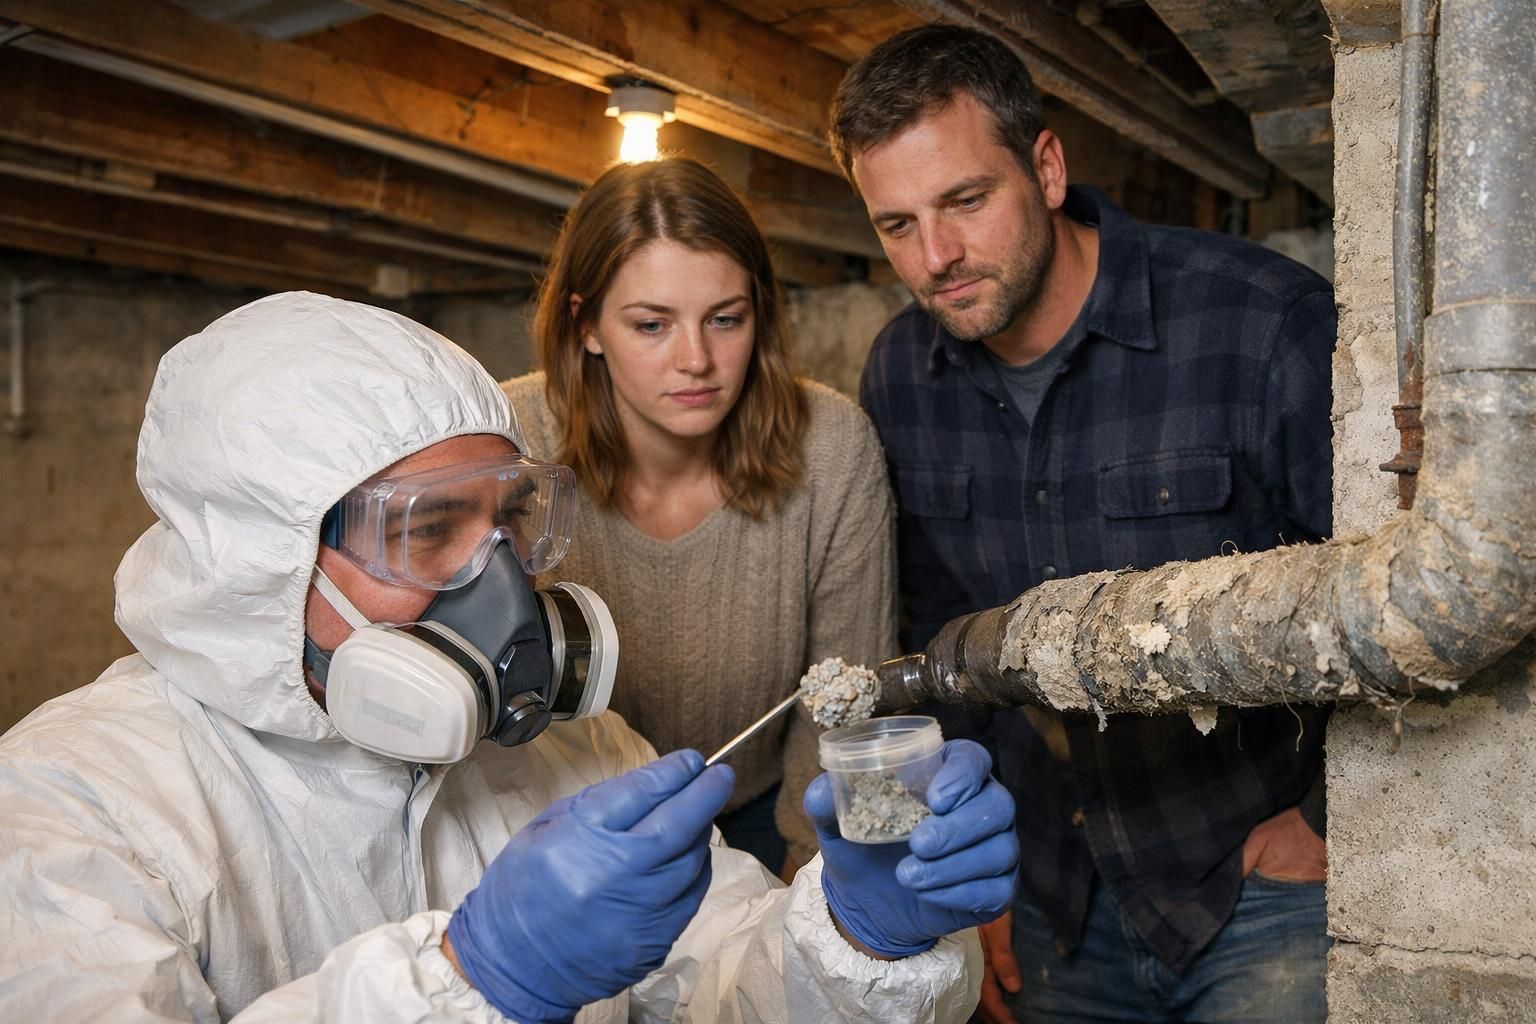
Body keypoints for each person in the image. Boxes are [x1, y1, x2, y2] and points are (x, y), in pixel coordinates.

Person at [0, 291, 1020, 1021]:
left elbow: (721, 991)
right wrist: (476, 978)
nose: (501, 587)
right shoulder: (74, 809)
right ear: (267, 561)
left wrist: (857, 934)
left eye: (510, 518)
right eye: (429, 528)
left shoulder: (575, 754)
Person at [829, 25, 1336, 1024]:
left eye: (966, 201)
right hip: (1057, 890)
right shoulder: (899, 374)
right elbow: (938, 651)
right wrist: (962, 883)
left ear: (1047, 166)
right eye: (896, 224)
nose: (935, 257)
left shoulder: (1261, 322)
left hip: (1258, 879)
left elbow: (1390, 598)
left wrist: (1332, 822)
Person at [503, 157, 896, 875]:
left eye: (725, 319)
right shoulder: (508, 444)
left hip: (758, 823)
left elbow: (842, 702)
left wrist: (813, 877)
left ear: (760, 313)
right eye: (651, 324)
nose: (697, 360)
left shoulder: (832, 449)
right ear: (585, 325)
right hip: (550, 829)